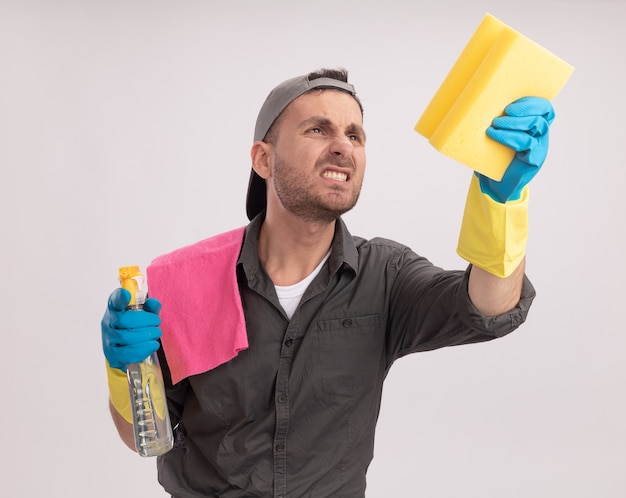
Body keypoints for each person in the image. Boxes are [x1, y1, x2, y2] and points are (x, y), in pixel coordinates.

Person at [101, 68, 554, 497]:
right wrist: (124, 372)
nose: (343, 146)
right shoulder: (187, 279)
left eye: (354, 134)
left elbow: (490, 306)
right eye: (318, 129)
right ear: (263, 158)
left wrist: (502, 200)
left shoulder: (385, 276)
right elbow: (144, 440)